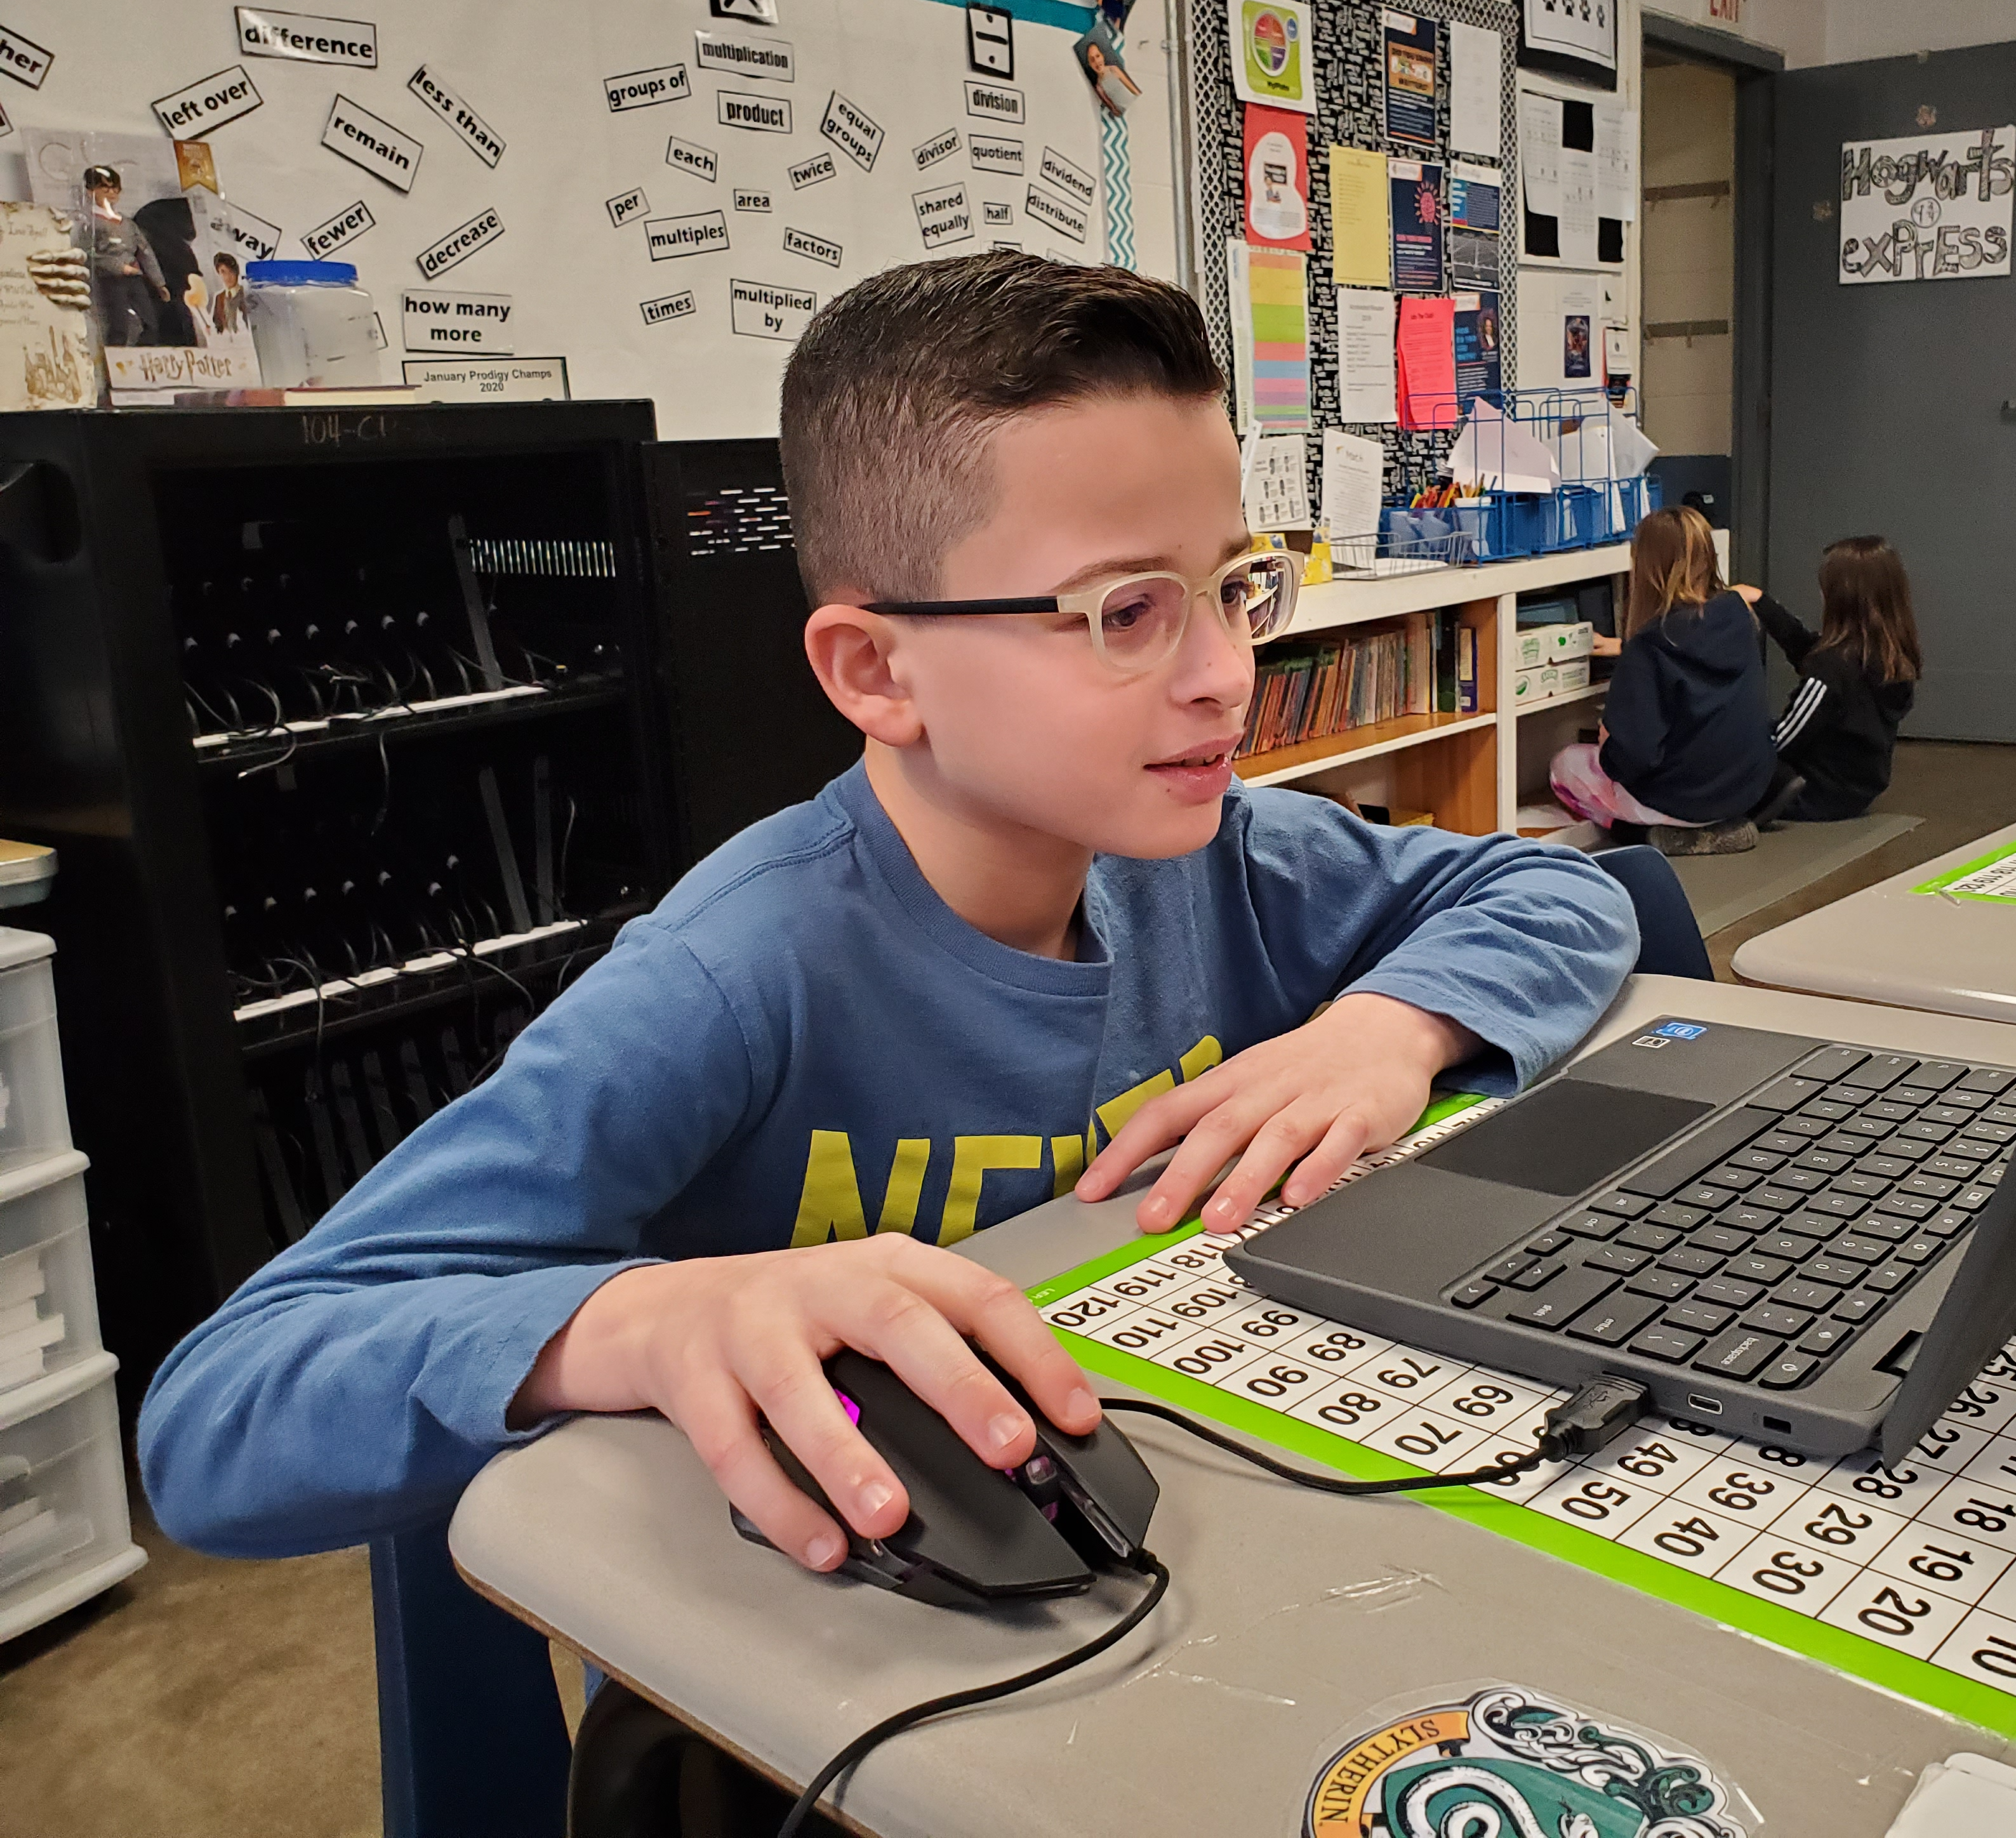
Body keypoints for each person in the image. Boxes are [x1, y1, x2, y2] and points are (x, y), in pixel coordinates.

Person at [138, 255, 1638, 1575]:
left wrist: (1388, 1030)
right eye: (1126, 611)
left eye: (1235, 586)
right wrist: (637, 1321)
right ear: (875, 672)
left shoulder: (1219, 851)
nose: (1224, 675)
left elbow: (1557, 884)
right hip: (823, 1648)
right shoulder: (735, 975)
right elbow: (216, 1421)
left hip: (1189, 1529)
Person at [1549, 506, 1778, 856]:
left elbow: (1634, 759)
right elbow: (1690, 642)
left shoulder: (1647, 648)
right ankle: (1719, 825)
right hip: (1747, 786)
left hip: (1680, 799)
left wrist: (1610, 744)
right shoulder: (1738, 614)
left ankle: (1641, 834)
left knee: (1564, 765)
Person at [1734, 534, 1922, 821]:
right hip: (1856, 790)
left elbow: (1785, 739)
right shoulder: (1886, 657)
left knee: (1731, 757)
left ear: (1840, 599)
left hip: (1816, 794)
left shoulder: (1832, 670)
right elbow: (1808, 650)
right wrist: (1762, 602)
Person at [82, 164, 166, 348]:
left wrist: (159, 282)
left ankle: (142, 359)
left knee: (150, 323)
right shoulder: (91, 223)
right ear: (90, 192)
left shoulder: (127, 223)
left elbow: (145, 251)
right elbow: (89, 254)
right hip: (111, 279)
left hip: (135, 277)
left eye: (115, 189)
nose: (112, 193)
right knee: (119, 325)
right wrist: (119, 267)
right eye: (105, 188)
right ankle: (116, 362)